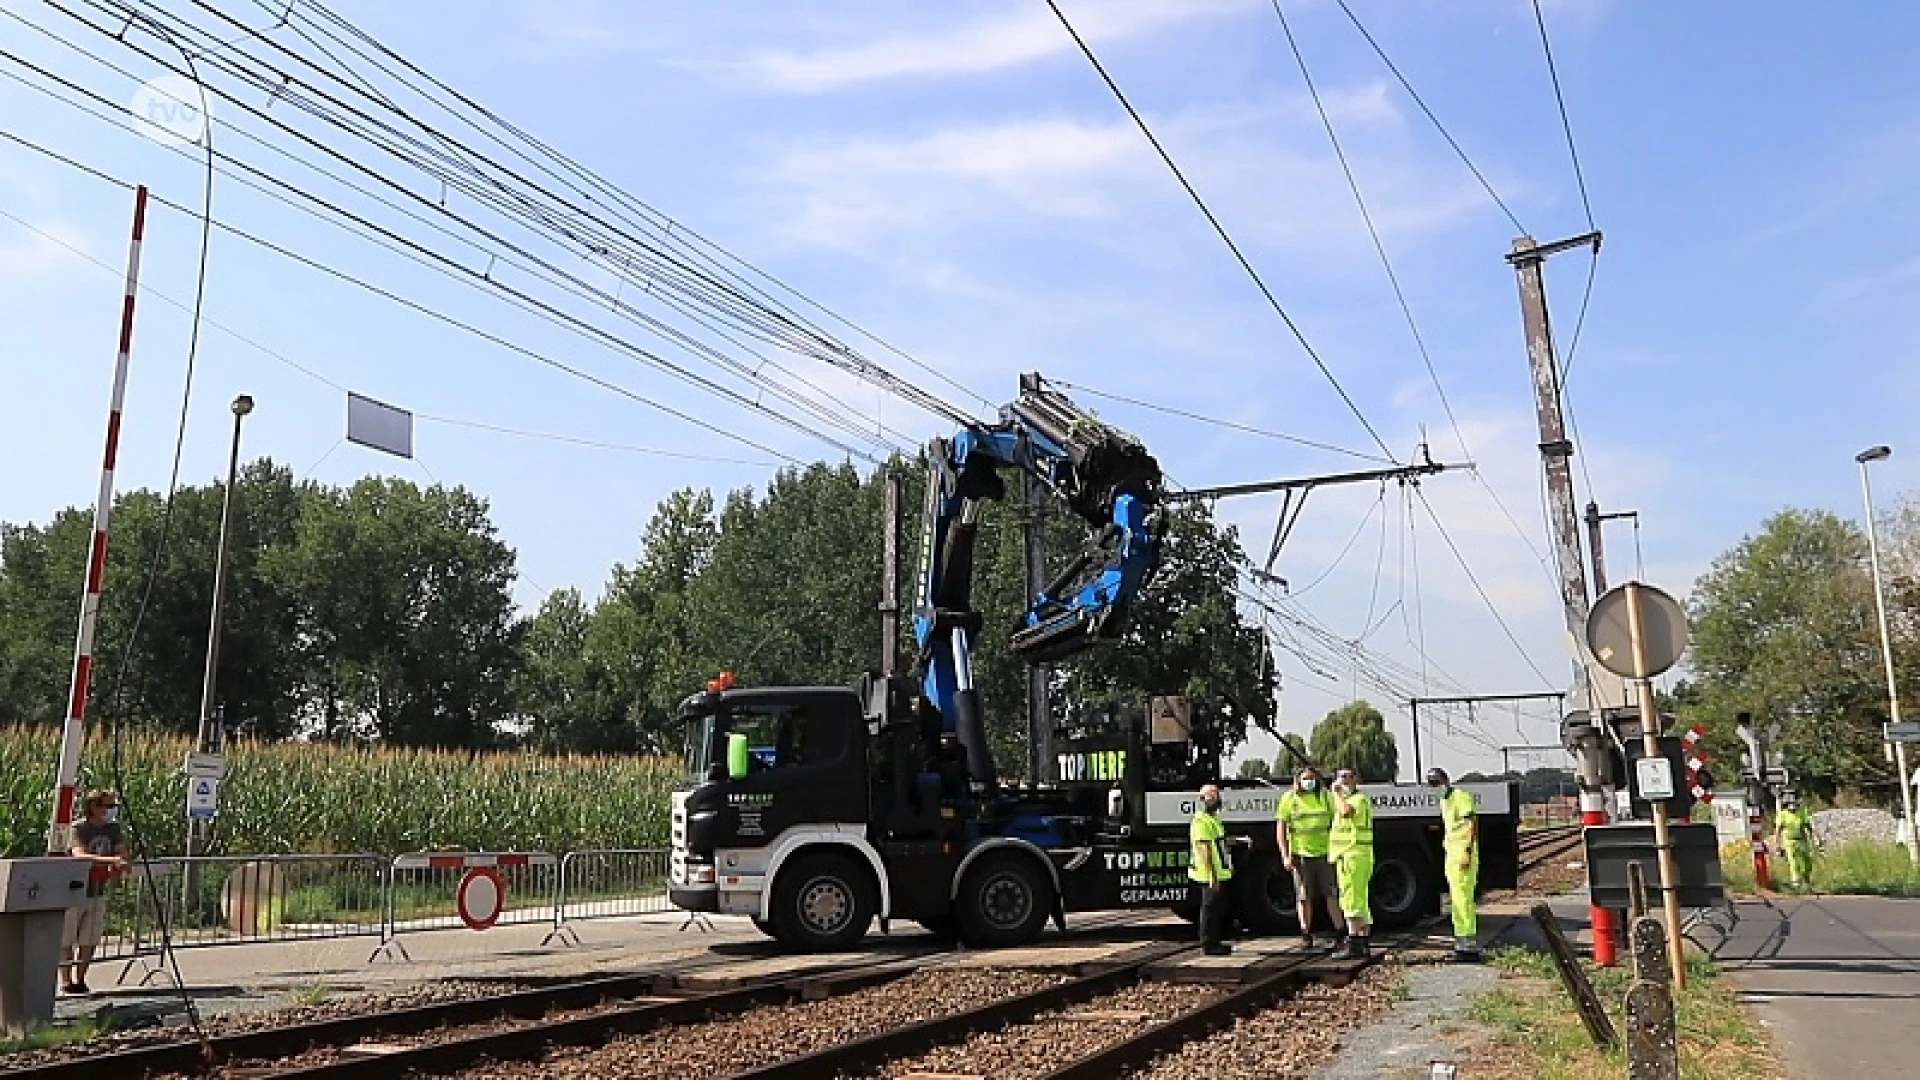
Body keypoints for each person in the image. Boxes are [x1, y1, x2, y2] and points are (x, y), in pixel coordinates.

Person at [61, 788, 129, 996]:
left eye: (113, 806)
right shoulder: (78, 829)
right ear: (94, 807)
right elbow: (80, 855)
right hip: (74, 891)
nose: (111, 811)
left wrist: (121, 859)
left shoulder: (113, 829)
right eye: (108, 806)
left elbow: (121, 850)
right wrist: (112, 861)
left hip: (98, 890)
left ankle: (80, 980)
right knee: (67, 938)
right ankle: (66, 980)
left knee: (89, 939)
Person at [1275, 765, 1345, 950]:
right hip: (1301, 855)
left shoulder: (1325, 796)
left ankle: (1340, 932)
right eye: (1305, 778)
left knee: (1331, 894)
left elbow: (1338, 821)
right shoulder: (1289, 799)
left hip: (1325, 854)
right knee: (1304, 896)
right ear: (1298, 780)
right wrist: (1285, 856)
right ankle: (1306, 934)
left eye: (1312, 778)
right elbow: (1281, 829)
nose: (1309, 782)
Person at [1430, 767, 1481, 961]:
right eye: (1433, 784)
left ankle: (1467, 944)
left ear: (1446, 780)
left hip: (1461, 853)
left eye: (1437, 783)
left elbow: (1471, 823)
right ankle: (1462, 942)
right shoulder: (1445, 800)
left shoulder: (1460, 797)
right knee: (1457, 897)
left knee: (1463, 898)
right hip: (1452, 852)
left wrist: (1467, 851)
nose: (1436, 787)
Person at [1328, 768, 1374, 960]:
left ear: (1356, 779)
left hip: (1353, 854)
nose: (1344, 780)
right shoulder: (1346, 800)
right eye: (1341, 777)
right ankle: (1363, 942)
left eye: (1348, 776)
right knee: (1359, 899)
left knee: (1351, 899)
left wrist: (1336, 793)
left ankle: (1354, 942)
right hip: (1349, 854)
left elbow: (1346, 812)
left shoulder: (1358, 799)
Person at [1189, 782, 1234, 956]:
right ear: (1202, 799)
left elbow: (1218, 843)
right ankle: (1209, 944)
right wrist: (1211, 876)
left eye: (1216, 795)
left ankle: (1215, 941)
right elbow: (1204, 849)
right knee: (1210, 909)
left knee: (1217, 908)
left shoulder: (1213, 819)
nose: (1215, 799)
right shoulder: (1201, 821)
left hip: (1219, 871)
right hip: (1208, 873)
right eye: (1211, 796)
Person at [1773, 793, 1815, 889]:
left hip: (1802, 840)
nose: (1792, 806)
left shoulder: (1801, 812)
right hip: (1789, 841)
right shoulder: (1782, 814)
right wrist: (1777, 845)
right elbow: (1778, 830)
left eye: (1794, 803)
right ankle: (1796, 883)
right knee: (1793, 862)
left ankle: (1806, 879)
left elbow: (1808, 826)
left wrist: (1814, 838)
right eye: (1790, 804)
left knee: (1807, 862)